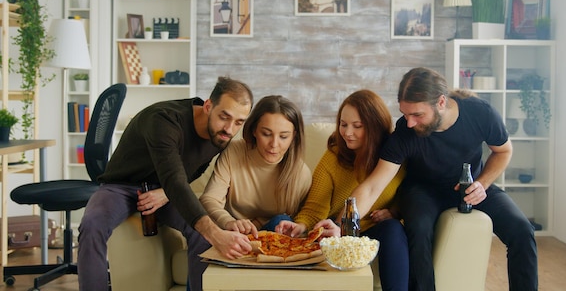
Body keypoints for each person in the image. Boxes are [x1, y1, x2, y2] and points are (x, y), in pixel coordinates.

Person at [349, 67, 538, 291]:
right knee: (418, 231)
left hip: (471, 185)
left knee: (523, 231)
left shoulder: (480, 113)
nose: (409, 122)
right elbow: (372, 186)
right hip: (423, 190)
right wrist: (342, 224)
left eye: (417, 115)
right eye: (404, 113)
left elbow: (503, 151)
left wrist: (483, 183)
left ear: (441, 102)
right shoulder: (405, 131)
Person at [77, 76, 254, 291]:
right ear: (208, 106)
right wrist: (216, 234)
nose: (229, 128)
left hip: (165, 190)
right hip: (121, 186)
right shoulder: (163, 120)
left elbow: (192, 171)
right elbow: (176, 180)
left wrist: (165, 193)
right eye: (224, 117)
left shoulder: (221, 137)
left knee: (201, 235)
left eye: (238, 122)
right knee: (93, 224)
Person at [276, 89, 409, 291]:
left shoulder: (395, 159)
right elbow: (314, 208)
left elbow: (407, 197)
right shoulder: (334, 156)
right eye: (343, 124)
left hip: (372, 231)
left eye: (357, 126)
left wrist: (395, 212)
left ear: (375, 127)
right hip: (336, 231)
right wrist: (302, 226)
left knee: (393, 229)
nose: (347, 133)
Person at [200, 95, 311, 235]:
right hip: (233, 232)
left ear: (293, 136)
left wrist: (258, 223)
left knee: (282, 220)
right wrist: (229, 222)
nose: (274, 145)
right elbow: (210, 199)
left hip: (274, 237)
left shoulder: (301, 173)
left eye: (283, 136)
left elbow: (299, 221)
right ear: (254, 130)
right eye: (266, 134)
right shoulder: (234, 152)